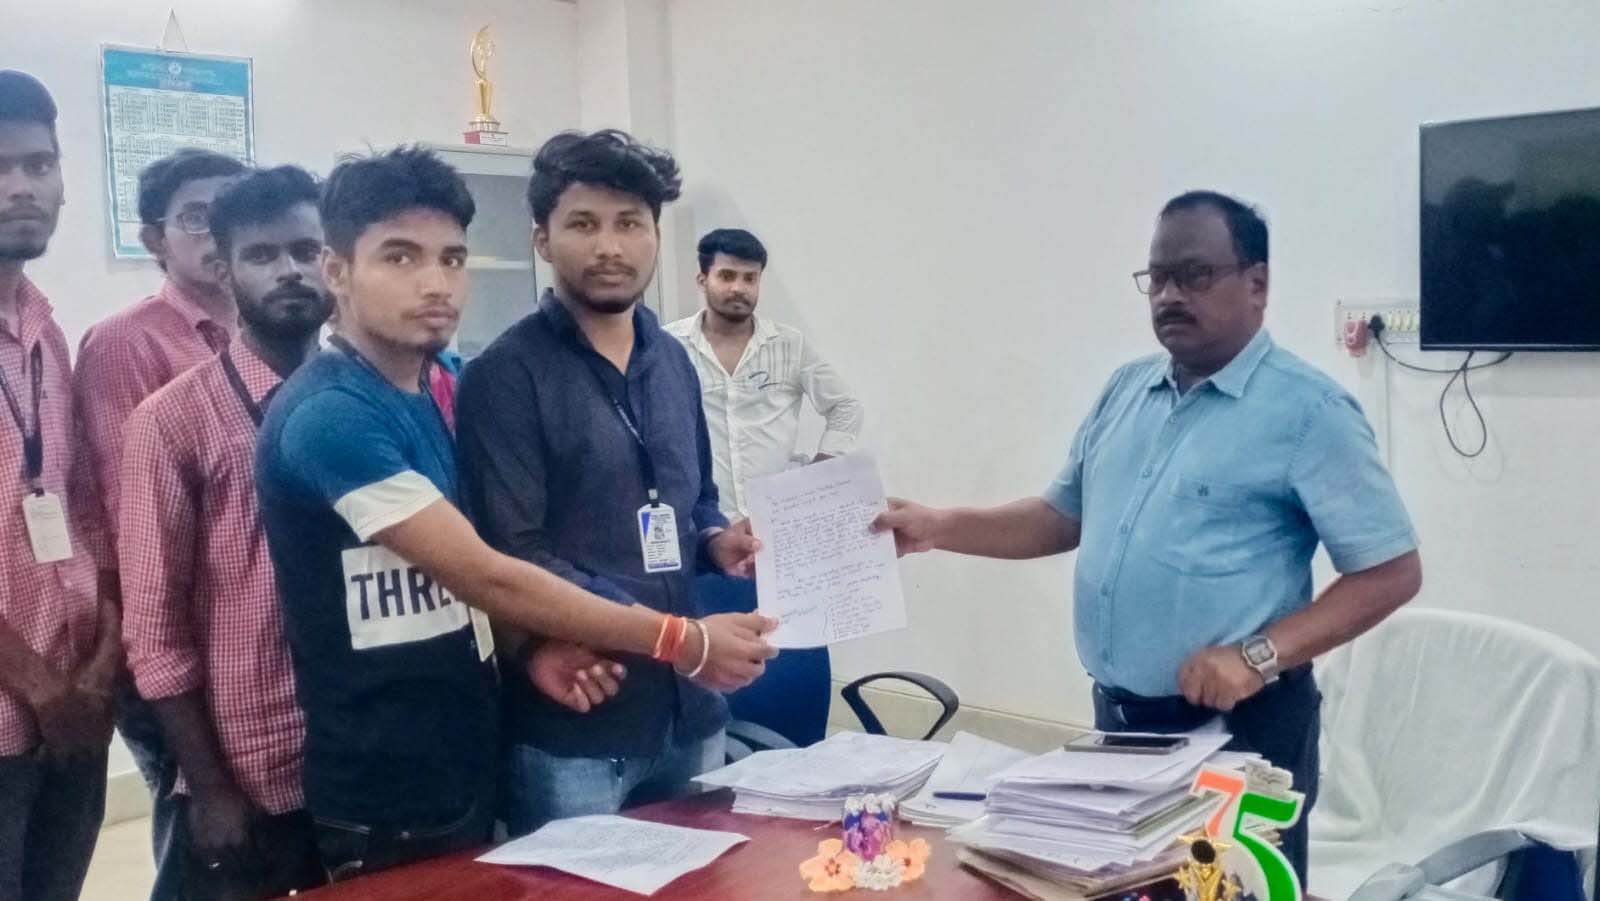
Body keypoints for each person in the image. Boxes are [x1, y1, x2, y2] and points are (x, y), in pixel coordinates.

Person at [873, 190, 1423, 883]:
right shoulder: (1126, 389)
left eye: (1195, 275)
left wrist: (1256, 655)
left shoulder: (1309, 412)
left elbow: (1392, 571)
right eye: (1158, 277)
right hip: (1120, 728)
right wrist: (939, 526)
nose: (1169, 295)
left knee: (1229, 896)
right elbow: (1063, 516)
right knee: (1134, 890)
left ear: (1257, 284)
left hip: (1240, 734)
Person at [255, 146, 774, 880]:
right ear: (335, 270)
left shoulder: (434, 387)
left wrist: (532, 649)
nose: (435, 283)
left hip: (484, 735)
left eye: (451, 258)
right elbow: (490, 569)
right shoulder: (332, 414)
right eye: (400, 258)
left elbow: (471, 581)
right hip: (392, 774)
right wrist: (683, 641)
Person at [456, 131, 763, 835]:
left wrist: (715, 540)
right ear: (542, 239)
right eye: (583, 224)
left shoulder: (673, 362)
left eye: (629, 223)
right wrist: (676, 636)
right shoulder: (504, 376)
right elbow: (514, 553)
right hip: (581, 722)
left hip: (691, 712)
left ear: (656, 235)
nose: (609, 247)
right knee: (579, 886)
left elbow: (695, 499)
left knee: (708, 882)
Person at [119, 165, 332, 899]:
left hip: (360, 755)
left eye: (306, 250)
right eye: (262, 255)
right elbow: (155, 630)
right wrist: (208, 786)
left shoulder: (363, 400)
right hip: (249, 764)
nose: (290, 271)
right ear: (225, 270)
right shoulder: (171, 421)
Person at [75, 146, 247, 900]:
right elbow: (131, 518)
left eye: (232, 213)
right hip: (173, 646)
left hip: (251, 636)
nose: (218, 233)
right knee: (201, 833)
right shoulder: (126, 343)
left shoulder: (265, 330)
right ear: (154, 238)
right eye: (197, 217)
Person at [0, 69, 122, 901]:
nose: (21, 186)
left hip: (73, 709)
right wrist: (41, 688)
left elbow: (82, 513)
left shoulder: (45, 333)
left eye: (39, 164)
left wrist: (99, 670)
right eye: (1, 167)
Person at [666, 228, 863, 521]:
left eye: (750, 278)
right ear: (702, 280)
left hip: (776, 518)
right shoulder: (670, 346)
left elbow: (845, 406)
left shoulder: (788, 345)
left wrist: (825, 465)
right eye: (727, 276)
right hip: (701, 521)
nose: (739, 288)